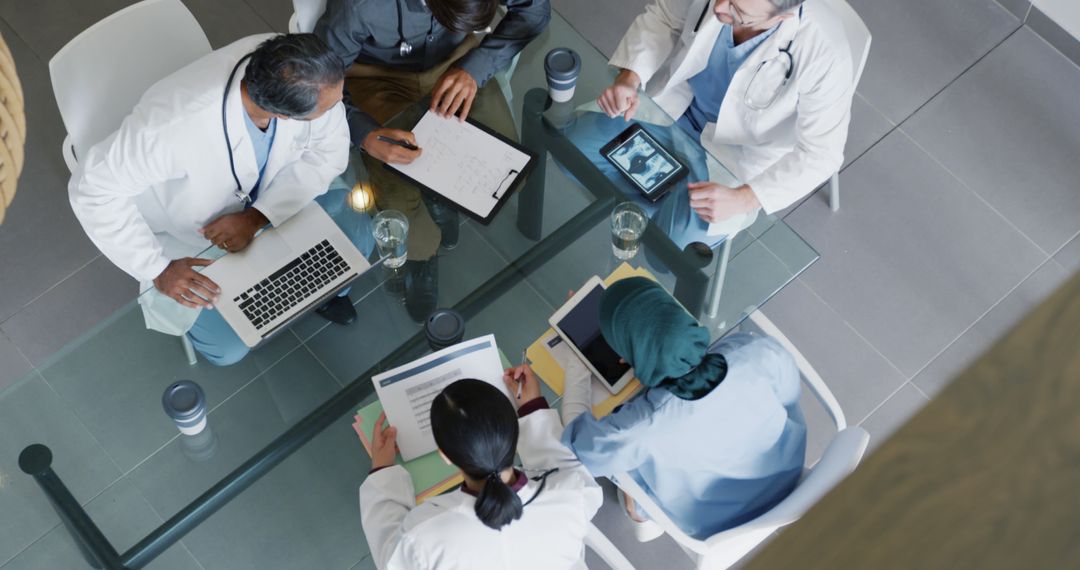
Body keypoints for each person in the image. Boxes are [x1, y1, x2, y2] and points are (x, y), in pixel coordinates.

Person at [69, 34, 369, 366]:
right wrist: (158, 269)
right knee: (226, 350)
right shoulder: (173, 126)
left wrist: (258, 215)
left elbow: (329, 153)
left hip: (270, 206)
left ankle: (314, 296)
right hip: (188, 235)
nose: (335, 109)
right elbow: (92, 188)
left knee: (359, 241)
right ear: (281, 114)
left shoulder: (303, 68)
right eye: (325, 110)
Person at [315, 0, 550, 321]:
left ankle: (439, 192)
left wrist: (475, 68)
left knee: (507, 170)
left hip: (458, 61)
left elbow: (535, 11)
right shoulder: (360, 7)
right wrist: (366, 135)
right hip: (377, 75)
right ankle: (421, 257)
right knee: (396, 183)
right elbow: (317, 81)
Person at [574, 0, 853, 248]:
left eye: (738, 11)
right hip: (670, 112)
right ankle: (651, 209)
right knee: (573, 150)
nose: (718, 8)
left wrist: (744, 199)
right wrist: (630, 77)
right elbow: (664, 17)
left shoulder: (826, 52)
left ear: (784, 17)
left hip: (731, 158)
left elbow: (821, 153)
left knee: (670, 251)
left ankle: (650, 209)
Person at [560, 277, 807, 540]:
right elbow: (790, 397)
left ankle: (639, 513)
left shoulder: (636, 430)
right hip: (790, 478)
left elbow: (578, 449)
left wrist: (576, 359)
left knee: (629, 475)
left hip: (718, 527)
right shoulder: (755, 350)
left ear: (623, 358)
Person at [360, 376, 602, 569]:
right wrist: (532, 408)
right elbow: (563, 467)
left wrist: (383, 472)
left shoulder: (425, 534)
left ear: (444, 455)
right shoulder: (572, 493)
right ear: (514, 432)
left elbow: (390, 558)